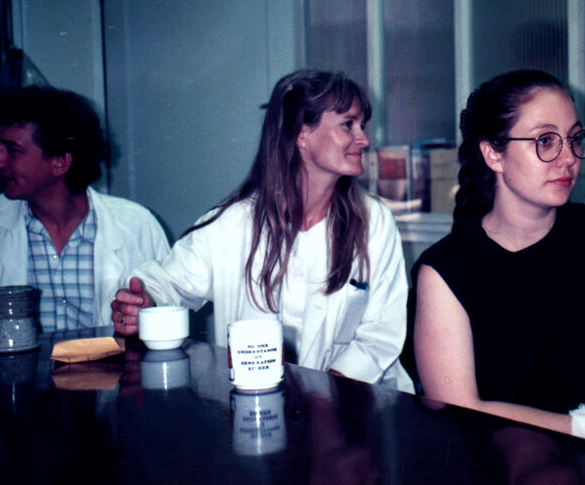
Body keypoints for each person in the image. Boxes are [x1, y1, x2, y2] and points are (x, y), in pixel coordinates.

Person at [410, 69, 585, 446]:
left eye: (574, 139)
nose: (568, 158)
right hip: (503, 481)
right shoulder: (446, 271)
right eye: (545, 141)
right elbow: (455, 406)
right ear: (493, 154)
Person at [112, 69, 414, 393]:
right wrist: (144, 302)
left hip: (358, 403)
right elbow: (167, 284)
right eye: (347, 124)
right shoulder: (234, 223)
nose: (364, 139)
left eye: (361, 125)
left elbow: (382, 333)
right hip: (262, 405)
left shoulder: (374, 221)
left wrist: (326, 396)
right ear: (301, 132)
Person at [0, 86, 170, 340]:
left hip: (112, 379)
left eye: (12, 150)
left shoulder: (137, 224)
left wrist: (144, 314)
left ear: (60, 162)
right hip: (15, 379)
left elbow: (169, 320)